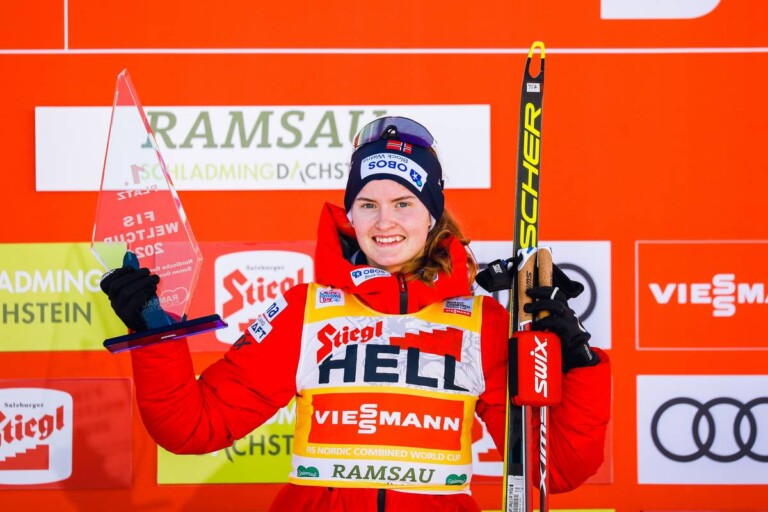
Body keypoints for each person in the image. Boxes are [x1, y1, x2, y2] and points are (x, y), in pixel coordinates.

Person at [101, 116, 611, 512]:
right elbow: (191, 428)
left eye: (403, 203)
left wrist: (579, 361)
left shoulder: (482, 320)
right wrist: (152, 334)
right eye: (367, 204)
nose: (384, 221)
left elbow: (551, 473)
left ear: (432, 214)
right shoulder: (306, 309)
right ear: (349, 213)